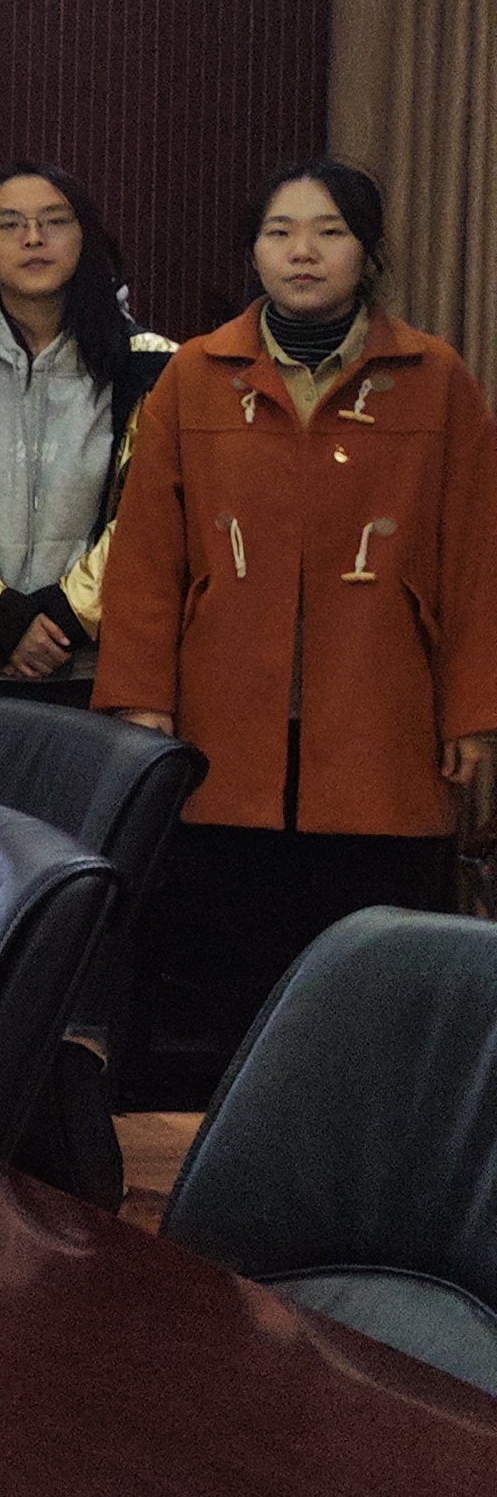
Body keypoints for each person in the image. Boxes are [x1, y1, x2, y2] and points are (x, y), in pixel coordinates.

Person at [99, 159, 497, 1102]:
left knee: (376, 969)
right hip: (225, 721)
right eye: (280, 232)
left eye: (329, 232)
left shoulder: (435, 378)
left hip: (381, 719)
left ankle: (372, 1147)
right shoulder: (197, 374)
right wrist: (142, 700)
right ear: (254, 251)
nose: (303, 252)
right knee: (225, 969)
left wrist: (473, 710)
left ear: (368, 252)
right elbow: (147, 554)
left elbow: (476, 555)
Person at [0, 163, 172, 708]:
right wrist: (0, 620)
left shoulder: (152, 370)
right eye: (10, 223)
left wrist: (65, 617)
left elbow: (154, 516)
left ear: (85, 237)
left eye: (55, 222)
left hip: (101, 671)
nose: (33, 238)